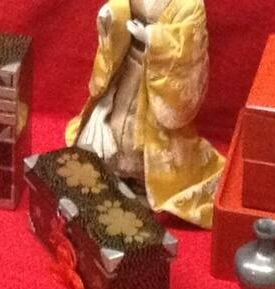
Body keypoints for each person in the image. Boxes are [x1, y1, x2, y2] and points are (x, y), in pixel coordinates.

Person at [66, 0, 226, 228]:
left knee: (145, 144)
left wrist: (153, 37)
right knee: (116, 122)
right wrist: (110, 16)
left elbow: (188, 44)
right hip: (128, 65)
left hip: (160, 82)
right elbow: (119, 8)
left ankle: (143, 187)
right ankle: (115, 176)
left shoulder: (190, 5)